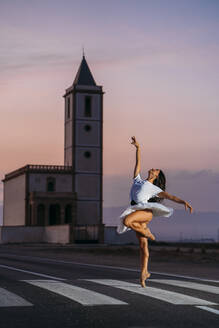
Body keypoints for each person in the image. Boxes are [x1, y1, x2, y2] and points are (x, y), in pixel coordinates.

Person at [117, 136, 193, 287]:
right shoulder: (137, 179)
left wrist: (183, 202)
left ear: (157, 175)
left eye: (156, 169)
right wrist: (138, 148)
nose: (153, 168)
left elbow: (171, 196)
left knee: (126, 221)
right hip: (135, 210)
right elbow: (137, 162)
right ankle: (144, 273)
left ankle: (148, 233)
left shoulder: (156, 189)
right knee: (143, 247)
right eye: (154, 168)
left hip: (145, 212)